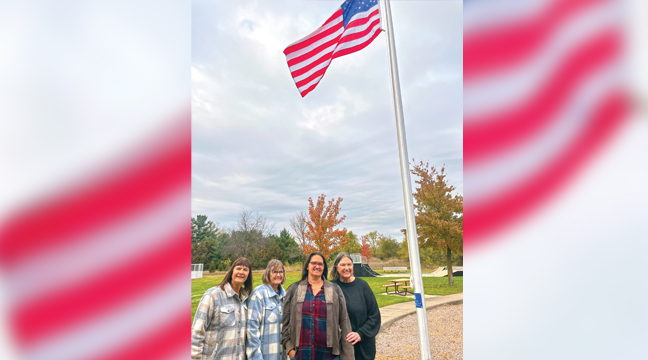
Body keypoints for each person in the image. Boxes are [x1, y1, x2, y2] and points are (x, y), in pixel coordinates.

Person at [281, 252, 354, 360]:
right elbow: (285, 323)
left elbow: (344, 323)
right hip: (301, 355)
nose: (317, 266)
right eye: (314, 263)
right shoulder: (294, 289)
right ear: (307, 266)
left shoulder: (335, 290)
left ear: (324, 267)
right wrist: (291, 350)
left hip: (328, 355)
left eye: (320, 264)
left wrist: (348, 356)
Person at [191, 257, 252, 360]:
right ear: (232, 271)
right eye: (238, 268)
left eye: (245, 270)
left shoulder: (246, 300)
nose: (241, 272)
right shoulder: (213, 295)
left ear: (248, 275)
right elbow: (197, 332)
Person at [330, 253, 381, 360]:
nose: (346, 268)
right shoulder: (330, 287)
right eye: (343, 265)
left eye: (349, 264)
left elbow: (374, 316)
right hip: (338, 347)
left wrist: (360, 333)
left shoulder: (362, 286)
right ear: (336, 268)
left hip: (362, 346)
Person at [246, 259, 287, 360]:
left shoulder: (285, 295)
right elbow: (251, 330)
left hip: (281, 355)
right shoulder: (258, 295)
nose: (278, 275)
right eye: (274, 271)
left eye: (281, 271)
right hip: (264, 356)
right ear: (268, 273)